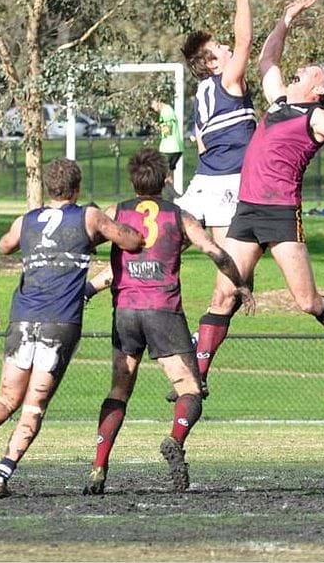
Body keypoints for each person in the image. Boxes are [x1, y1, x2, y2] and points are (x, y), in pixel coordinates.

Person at [192, 0, 324, 393]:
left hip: (279, 214)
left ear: (319, 90)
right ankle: (197, 378)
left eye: (314, 71)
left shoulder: (317, 116)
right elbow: (268, 59)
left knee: (307, 302)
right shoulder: (277, 103)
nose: (306, 69)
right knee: (223, 295)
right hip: (247, 211)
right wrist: (286, 19)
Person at [0, 158, 143, 498]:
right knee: (33, 405)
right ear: (77, 189)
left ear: (49, 188)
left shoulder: (29, 219)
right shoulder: (88, 216)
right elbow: (131, 241)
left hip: (22, 318)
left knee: (7, 397)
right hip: (60, 322)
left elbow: (5, 245)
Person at [82, 149, 252, 495]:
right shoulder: (180, 215)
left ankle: (98, 468)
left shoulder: (117, 212)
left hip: (126, 312)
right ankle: (175, 440)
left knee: (118, 391)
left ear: (133, 180)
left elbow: (89, 237)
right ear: (165, 180)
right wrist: (241, 284)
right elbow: (216, 252)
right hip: (163, 311)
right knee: (191, 390)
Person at [175, 0, 259, 390]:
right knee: (231, 282)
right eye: (220, 48)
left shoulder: (199, 96)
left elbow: (202, 144)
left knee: (157, 241)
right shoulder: (226, 79)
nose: (229, 49)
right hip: (227, 185)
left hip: (200, 184)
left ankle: (98, 282)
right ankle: (198, 359)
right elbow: (246, 39)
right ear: (210, 61)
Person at [151, 98, 183, 188]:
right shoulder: (167, 111)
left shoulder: (166, 112)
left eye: (152, 104)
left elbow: (167, 130)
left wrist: (156, 125)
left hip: (169, 148)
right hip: (175, 147)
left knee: (160, 175)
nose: (152, 107)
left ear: (158, 101)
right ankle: (171, 197)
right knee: (168, 175)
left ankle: (163, 197)